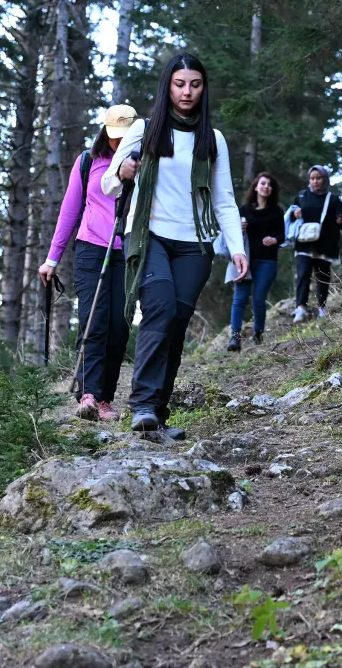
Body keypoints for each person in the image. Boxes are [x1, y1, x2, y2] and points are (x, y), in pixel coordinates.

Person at [102, 53, 247, 436]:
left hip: (195, 245)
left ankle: (157, 415)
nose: (187, 92)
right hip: (149, 236)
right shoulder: (144, 129)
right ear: (168, 86)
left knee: (177, 325)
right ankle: (143, 405)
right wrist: (123, 169)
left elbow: (225, 200)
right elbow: (107, 184)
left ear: (203, 88)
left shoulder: (212, 139)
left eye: (195, 85)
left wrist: (237, 248)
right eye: (180, 84)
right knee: (160, 309)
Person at [38, 104, 138, 421]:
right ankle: (89, 395)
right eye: (115, 136)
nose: (119, 143)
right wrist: (52, 259)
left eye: (127, 137)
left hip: (130, 250)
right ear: (105, 132)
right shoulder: (87, 162)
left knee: (119, 326)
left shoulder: (146, 164)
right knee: (94, 321)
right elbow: (69, 212)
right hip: (91, 249)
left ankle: (106, 396)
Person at [228, 172, 285, 351]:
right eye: (263, 183)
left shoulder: (277, 211)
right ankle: (235, 338)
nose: (266, 186)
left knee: (258, 299)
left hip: (267, 261)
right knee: (239, 299)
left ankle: (258, 333)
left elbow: (283, 235)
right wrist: (239, 226)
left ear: (272, 189)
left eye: (270, 184)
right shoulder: (244, 210)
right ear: (255, 186)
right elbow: (231, 233)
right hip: (245, 260)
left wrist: (274, 240)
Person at [288, 165, 342, 323]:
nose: (315, 181)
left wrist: (340, 220)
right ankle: (300, 308)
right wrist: (294, 215)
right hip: (304, 244)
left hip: (325, 245)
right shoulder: (302, 196)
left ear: (325, 179)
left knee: (322, 276)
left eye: (318, 178)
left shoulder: (333, 199)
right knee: (303, 274)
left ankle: (322, 307)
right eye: (312, 178)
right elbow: (290, 216)